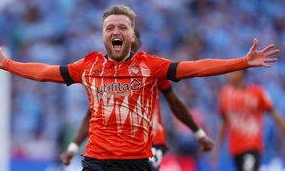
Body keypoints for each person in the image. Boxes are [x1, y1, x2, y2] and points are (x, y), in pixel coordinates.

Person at [0, 5, 280, 171]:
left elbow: (197, 67)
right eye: (110, 28)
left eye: (122, 27)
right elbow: (44, 72)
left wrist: (242, 61)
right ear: (103, 35)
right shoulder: (89, 66)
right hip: (97, 162)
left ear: (133, 35)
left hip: (137, 163)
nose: (116, 31)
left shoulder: (151, 66)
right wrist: (8, 64)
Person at [59, 28, 214, 171]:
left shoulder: (151, 69)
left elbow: (176, 104)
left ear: (138, 43)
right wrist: (73, 147)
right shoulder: (106, 76)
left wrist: (198, 133)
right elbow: (91, 115)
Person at [211, 70, 285, 171]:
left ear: (243, 74)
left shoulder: (257, 92)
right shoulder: (225, 94)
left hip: (252, 146)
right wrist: (216, 148)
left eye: (233, 72)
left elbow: (275, 115)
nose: (229, 75)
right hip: (235, 149)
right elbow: (224, 123)